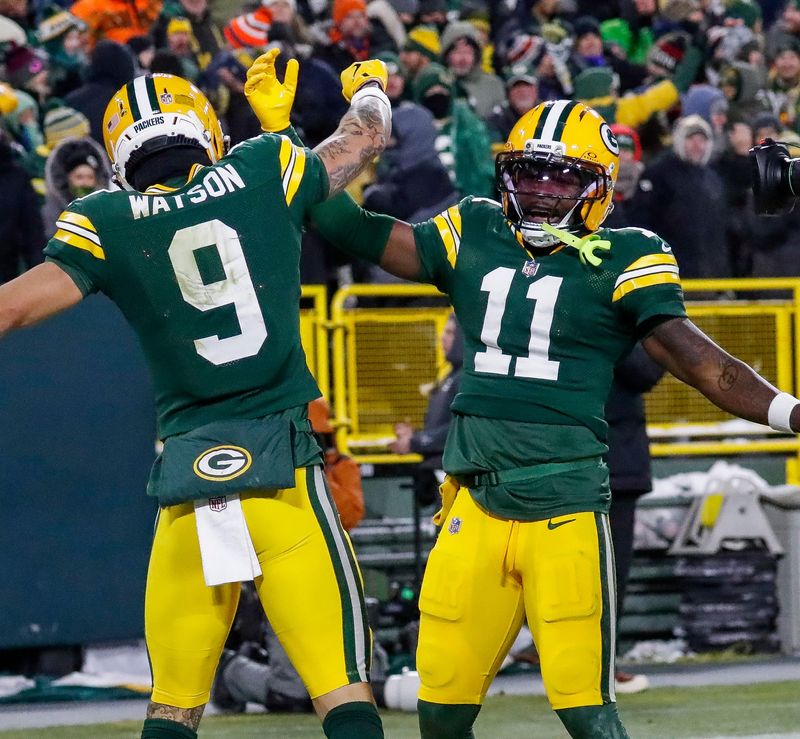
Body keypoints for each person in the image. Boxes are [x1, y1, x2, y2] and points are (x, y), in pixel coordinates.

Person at [307, 98, 800, 738]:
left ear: (598, 184)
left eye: (562, 176)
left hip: (564, 506)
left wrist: (792, 414)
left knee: (586, 712)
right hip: (475, 506)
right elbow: (348, 226)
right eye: (530, 174)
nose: (541, 192)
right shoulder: (476, 229)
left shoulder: (625, 253)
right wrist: (308, 144)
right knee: (441, 712)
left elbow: (707, 367)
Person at [0, 49, 392, 739]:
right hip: (285, 474)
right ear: (205, 129)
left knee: (175, 707)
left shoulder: (104, 217)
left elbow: (11, 309)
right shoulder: (263, 165)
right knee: (343, 695)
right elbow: (360, 142)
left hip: (191, 485)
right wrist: (369, 95)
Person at [604, 344, 664, 695]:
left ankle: (591, 663)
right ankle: (599, 668)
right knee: (609, 571)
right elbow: (646, 372)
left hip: (583, 454)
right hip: (608, 459)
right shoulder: (613, 314)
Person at [389, 314, 463, 506]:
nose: (443, 337)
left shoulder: (465, 378)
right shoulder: (450, 376)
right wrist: (415, 436)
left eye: (450, 333)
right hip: (441, 472)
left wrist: (415, 441)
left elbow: (459, 428)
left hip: (456, 477)